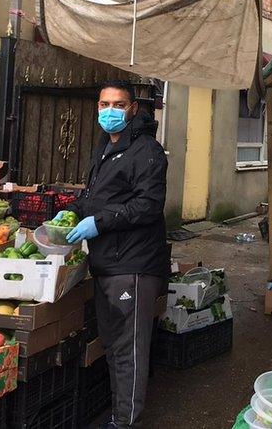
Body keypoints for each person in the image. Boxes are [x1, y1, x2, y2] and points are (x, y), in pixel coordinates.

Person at [57, 80, 169, 428]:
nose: (109, 111)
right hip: (107, 260)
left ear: (133, 108)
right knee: (113, 342)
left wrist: (99, 223)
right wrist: (73, 210)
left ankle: (125, 420)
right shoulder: (106, 147)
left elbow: (148, 206)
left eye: (118, 105)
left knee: (129, 347)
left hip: (133, 264)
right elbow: (97, 197)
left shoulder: (147, 151)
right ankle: (120, 410)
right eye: (104, 104)